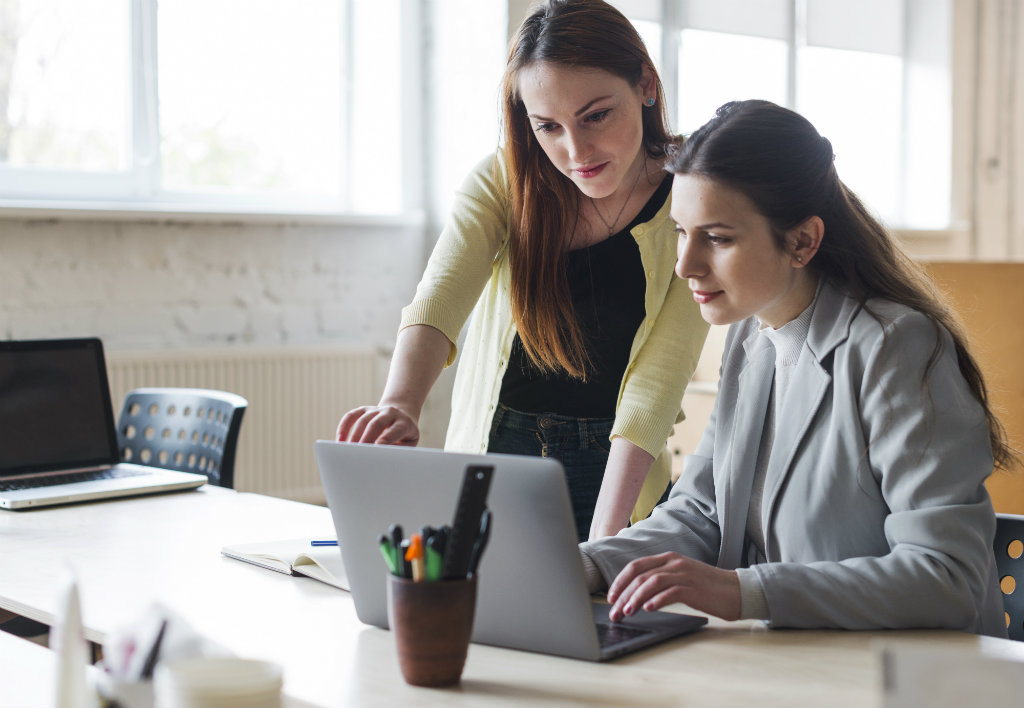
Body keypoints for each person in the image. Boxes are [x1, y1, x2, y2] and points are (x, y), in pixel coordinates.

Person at [580, 99, 1016, 636]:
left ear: (804, 241)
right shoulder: (751, 334)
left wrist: (744, 592)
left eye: (717, 238)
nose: (685, 265)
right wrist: (589, 564)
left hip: (905, 678)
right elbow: (701, 512)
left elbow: (948, 576)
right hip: (793, 663)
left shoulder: (894, 347)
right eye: (680, 232)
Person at [336, 0, 709, 542]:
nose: (576, 150)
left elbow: (659, 382)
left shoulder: (694, 198)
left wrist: (607, 535)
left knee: (597, 617)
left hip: (616, 466)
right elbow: (440, 299)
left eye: (596, 115)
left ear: (646, 84)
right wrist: (400, 404)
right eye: (548, 126)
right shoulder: (504, 178)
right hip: (495, 446)